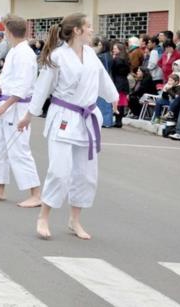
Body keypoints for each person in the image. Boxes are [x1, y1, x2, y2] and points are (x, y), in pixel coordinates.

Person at [18, 13, 118, 240]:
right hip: (64, 116)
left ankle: (75, 219)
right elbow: (42, 87)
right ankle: (43, 216)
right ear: (77, 30)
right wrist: (29, 115)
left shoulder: (91, 55)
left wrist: (113, 97)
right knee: (60, 171)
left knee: (86, 174)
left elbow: (102, 79)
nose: (92, 30)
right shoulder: (57, 57)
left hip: (87, 118)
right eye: (89, 26)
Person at [0, 15, 41, 207]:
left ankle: (35, 193)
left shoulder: (25, 54)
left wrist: (5, 104)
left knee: (19, 149)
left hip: (17, 106)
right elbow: (8, 78)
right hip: (5, 101)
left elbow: (23, 85)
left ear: (8, 31)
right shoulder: (14, 51)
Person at [110, 42, 130, 128]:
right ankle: (119, 121)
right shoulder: (126, 59)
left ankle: (117, 121)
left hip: (117, 82)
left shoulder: (117, 60)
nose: (113, 50)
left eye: (115, 48)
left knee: (117, 102)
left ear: (119, 50)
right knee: (121, 103)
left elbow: (113, 70)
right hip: (124, 82)